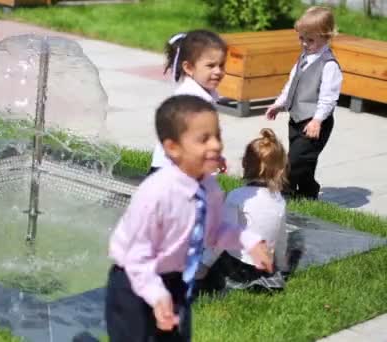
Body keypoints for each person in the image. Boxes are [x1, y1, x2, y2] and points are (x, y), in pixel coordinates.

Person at [105, 95, 274, 342]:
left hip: (175, 280)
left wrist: (248, 240)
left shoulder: (210, 188)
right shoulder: (156, 195)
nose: (216, 145)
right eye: (204, 139)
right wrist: (156, 295)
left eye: (217, 135)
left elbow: (213, 231)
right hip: (133, 282)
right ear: (173, 148)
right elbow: (136, 257)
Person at [195, 128, 290, 293]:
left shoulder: (237, 196)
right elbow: (281, 239)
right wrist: (281, 266)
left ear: (245, 164)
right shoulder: (279, 200)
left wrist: (204, 265)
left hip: (237, 269)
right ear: (280, 170)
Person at [265, 6, 342, 200]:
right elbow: (292, 83)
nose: (305, 44)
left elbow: (328, 97)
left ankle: (283, 194)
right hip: (297, 119)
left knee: (295, 161)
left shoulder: (329, 65)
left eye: (310, 40)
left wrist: (317, 120)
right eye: (301, 38)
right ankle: (308, 193)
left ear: (326, 37)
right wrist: (280, 103)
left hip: (316, 123)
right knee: (304, 161)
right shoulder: (304, 57)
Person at [149, 29, 228, 176]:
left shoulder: (205, 94)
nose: (218, 71)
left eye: (221, 65)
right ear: (189, 68)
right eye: (210, 66)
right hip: (169, 172)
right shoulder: (190, 100)